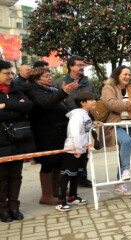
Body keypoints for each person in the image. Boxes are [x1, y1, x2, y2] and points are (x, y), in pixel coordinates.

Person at [25, 67, 78, 205]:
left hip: (59, 131)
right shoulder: (33, 90)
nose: (50, 78)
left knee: (58, 163)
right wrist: (63, 92)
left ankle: (56, 191)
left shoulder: (50, 89)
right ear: (36, 79)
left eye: (50, 75)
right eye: (46, 76)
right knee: (48, 164)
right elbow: (45, 104)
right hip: (45, 133)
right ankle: (46, 195)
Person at [54, 56, 98, 188]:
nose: (81, 67)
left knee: (84, 151)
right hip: (65, 121)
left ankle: (82, 178)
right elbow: (55, 101)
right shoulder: (60, 82)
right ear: (70, 67)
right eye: (79, 65)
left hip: (84, 121)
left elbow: (95, 98)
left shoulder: (88, 83)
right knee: (70, 153)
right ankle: (65, 183)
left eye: (83, 65)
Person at [0, 60, 35, 222]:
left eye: (11, 73)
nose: (10, 76)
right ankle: (3, 208)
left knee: (16, 175)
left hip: (18, 139)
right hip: (2, 142)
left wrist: (5, 105)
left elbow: (28, 106)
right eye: (6, 73)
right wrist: (16, 108)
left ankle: (14, 206)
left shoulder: (16, 89)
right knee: (2, 177)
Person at [56, 92, 103, 212]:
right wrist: (77, 150)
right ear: (83, 102)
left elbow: (84, 129)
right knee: (67, 174)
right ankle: (61, 201)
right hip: (73, 150)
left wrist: (93, 123)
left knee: (77, 174)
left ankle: (73, 196)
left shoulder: (86, 115)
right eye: (91, 99)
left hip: (82, 149)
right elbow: (75, 133)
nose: (94, 101)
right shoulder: (77, 115)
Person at [101, 66, 131, 195]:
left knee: (124, 154)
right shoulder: (108, 88)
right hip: (115, 125)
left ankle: (120, 184)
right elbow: (112, 104)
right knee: (126, 141)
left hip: (130, 125)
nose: (128, 77)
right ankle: (126, 169)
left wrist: (127, 106)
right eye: (125, 74)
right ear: (117, 75)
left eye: (129, 75)